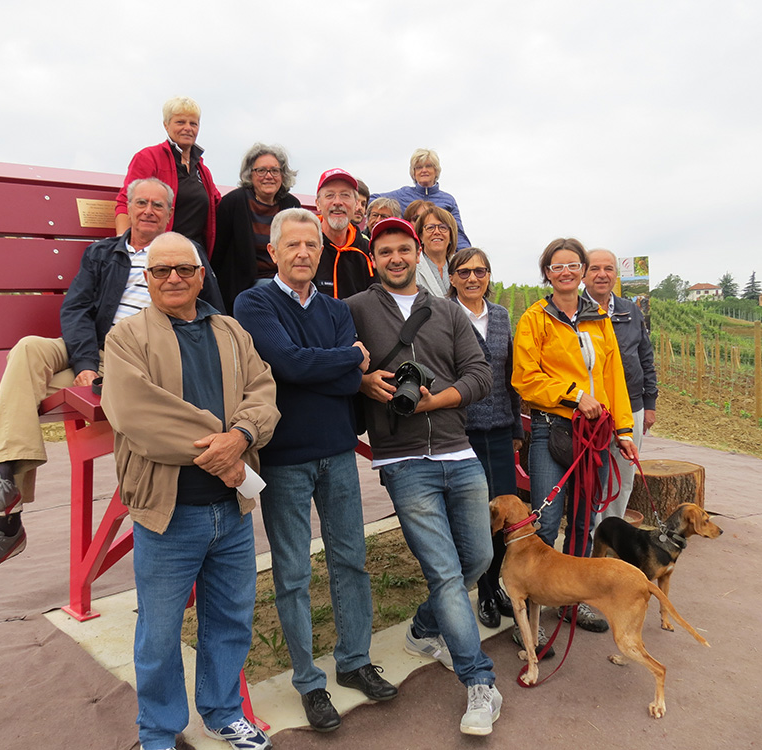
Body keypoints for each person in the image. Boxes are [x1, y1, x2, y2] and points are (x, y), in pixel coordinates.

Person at [0, 178, 223, 579]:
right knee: (27, 350)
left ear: (168, 213)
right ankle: (2, 479)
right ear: (128, 207)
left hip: (136, 357)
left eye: (158, 205)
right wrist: (86, 361)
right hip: (90, 348)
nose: (148, 210)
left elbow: (212, 310)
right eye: (141, 202)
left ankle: (6, 525)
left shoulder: (183, 258)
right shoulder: (103, 254)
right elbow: (75, 310)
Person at [102, 232, 279, 750]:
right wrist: (221, 444)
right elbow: (137, 415)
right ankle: (158, 732)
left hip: (232, 509)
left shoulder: (230, 331)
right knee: (158, 635)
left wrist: (241, 436)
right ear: (147, 278)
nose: (173, 278)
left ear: (202, 274)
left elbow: (263, 392)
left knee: (229, 620)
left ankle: (223, 713)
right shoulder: (127, 339)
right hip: (169, 514)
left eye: (184, 268)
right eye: (161, 271)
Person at [234, 208, 397, 732]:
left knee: (351, 560)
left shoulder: (335, 309)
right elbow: (287, 364)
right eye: (293, 245)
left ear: (320, 252)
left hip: (337, 450)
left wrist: (334, 365)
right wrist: (342, 360)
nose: (304, 252)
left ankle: (354, 661)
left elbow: (351, 380)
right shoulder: (254, 301)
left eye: (312, 245)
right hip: (285, 457)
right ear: (274, 252)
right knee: (293, 572)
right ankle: (308, 681)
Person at [346, 217, 501, 736]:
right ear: (374, 259)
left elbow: (480, 375)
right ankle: (479, 683)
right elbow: (332, 367)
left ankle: (423, 627)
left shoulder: (448, 311)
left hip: (458, 452)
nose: (395, 258)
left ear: (417, 254)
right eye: (385, 250)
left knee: (477, 557)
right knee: (444, 571)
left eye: (403, 249)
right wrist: (362, 379)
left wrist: (440, 398)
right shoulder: (355, 311)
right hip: (401, 459)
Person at [512, 237, 638, 634]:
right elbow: (525, 379)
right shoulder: (535, 318)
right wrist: (574, 395)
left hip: (595, 434)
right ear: (546, 273)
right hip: (555, 429)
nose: (565, 272)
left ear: (582, 271)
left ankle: (571, 601)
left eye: (572, 265)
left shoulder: (599, 319)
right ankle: (532, 611)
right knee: (546, 523)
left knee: (585, 522)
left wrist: (623, 429)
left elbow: (612, 377)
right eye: (556, 266)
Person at [446, 248, 525, 634]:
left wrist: (515, 429)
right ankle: (486, 590)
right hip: (462, 432)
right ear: (452, 277)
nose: (473, 278)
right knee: (476, 514)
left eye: (480, 271)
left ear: (489, 276)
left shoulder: (502, 316)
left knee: (505, 514)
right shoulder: (444, 314)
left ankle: (504, 585)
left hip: (499, 430)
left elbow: (510, 375)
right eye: (464, 272)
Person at [583, 249, 658, 521]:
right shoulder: (574, 311)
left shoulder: (631, 311)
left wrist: (649, 405)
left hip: (633, 407)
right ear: (583, 274)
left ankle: (610, 534)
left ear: (616, 274)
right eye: (594, 268)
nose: (602, 274)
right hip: (591, 411)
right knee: (592, 477)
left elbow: (646, 359)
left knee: (623, 474)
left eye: (608, 268)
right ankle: (589, 535)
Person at [115, 96, 221, 258]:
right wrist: (122, 249)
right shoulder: (149, 158)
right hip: (158, 254)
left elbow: (218, 206)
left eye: (193, 123)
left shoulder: (202, 170)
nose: (188, 128)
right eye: (180, 122)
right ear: (166, 125)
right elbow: (125, 202)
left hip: (195, 255)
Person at [211, 143, 302, 311]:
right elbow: (218, 253)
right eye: (261, 171)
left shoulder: (292, 205)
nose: (269, 176)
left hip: (286, 282)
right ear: (250, 175)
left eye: (275, 171)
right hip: (244, 287)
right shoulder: (233, 203)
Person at [371, 149, 470, 249]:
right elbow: (371, 199)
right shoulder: (402, 195)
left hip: (438, 252)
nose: (424, 170)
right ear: (413, 173)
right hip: (411, 250)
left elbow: (458, 233)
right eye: (418, 167)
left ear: (436, 171)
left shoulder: (448, 200)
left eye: (428, 166)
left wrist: (466, 256)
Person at [314, 168, 375, 299]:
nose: (337, 202)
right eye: (329, 195)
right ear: (318, 204)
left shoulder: (367, 250)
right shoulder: (305, 246)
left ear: (355, 204)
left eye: (345, 195)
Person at [414, 205, 458, 297]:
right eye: (430, 228)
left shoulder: (460, 265)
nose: (437, 232)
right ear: (421, 236)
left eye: (443, 227)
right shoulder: (411, 267)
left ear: (451, 235)